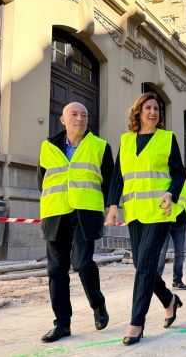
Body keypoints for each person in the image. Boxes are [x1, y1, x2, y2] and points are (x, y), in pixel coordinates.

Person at [105, 93, 186, 346]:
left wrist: (171, 193)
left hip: (160, 213)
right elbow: (118, 175)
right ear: (138, 111)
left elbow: (179, 174)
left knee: (144, 267)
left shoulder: (167, 138)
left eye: (156, 108)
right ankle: (169, 300)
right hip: (135, 212)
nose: (153, 112)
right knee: (142, 264)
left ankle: (136, 322)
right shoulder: (126, 141)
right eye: (148, 107)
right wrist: (113, 205)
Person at [37, 102, 113, 342]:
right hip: (55, 212)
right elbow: (42, 180)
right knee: (56, 269)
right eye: (74, 114)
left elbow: (109, 181)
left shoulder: (100, 146)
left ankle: (98, 305)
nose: (79, 118)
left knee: (81, 263)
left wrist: (112, 208)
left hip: (85, 212)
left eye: (84, 115)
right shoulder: (47, 147)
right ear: (63, 119)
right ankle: (62, 324)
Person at [157, 161, 186, 290]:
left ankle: (177, 280)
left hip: (181, 224)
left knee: (180, 253)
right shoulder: (178, 179)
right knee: (162, 252)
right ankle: (156, 281)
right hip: (168, 219)